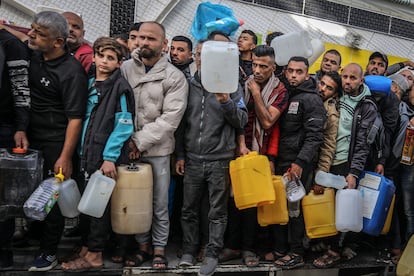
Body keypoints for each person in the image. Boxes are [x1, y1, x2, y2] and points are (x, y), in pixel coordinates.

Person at [60, 36, 134, 272]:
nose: (104, 61)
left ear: (119, 63)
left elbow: (123, 125)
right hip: (86, 155)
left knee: (97, 208)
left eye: (111, 58)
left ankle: (95, 254)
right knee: (85, 206)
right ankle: (86, 246)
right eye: (101, 55)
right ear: (93, 56)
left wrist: (110, 157)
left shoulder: (120, 87)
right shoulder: (90, 82)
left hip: (103, 160)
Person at [175, 39, 247, 276]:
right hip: (193, 159)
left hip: (220, 160)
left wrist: (226, 101)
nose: (200, 59)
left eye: (205, 55)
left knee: (217, 211)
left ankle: (212, 253)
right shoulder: (188, 85)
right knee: (188, 209)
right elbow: (182, 125)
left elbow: (242, 120)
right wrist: (181, 155)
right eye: (197, 54)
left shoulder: (231, 86)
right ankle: (188, 250)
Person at [121, 21, 188, 270]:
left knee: (159, 203)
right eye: (141, 38)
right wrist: (127, 141)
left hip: (158, 151)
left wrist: (139, 141)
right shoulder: (126, 69)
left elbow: (170, 119)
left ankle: (159, 248)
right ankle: (142, 248)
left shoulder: (175, 77)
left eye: (151, 39)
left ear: (164, 44)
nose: (144, 43)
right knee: (135, 201)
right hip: (127, 148)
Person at [25, 11, 88, 271]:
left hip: (56, 143)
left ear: (58, 42)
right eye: (32, 28)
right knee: (32, 195)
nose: (31, 34)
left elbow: (75, 118)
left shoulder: (71, 72)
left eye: (39, 33)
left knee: (51, 199)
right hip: (31, 139)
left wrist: (65, 156)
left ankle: (49, 252)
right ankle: (33, 236)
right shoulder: (34, 54)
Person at [221, 45, 287, 267]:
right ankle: (232, 246)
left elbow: (268, 121)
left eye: (263, 66)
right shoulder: (243, 84)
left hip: (262, 152)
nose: (257, 70)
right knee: (233, 200)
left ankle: (249, 249)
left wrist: (257, 94)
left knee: (253, 201)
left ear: (273, 68)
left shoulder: (280, 91)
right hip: (238, 148)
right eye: (254, 65)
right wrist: (240, 143)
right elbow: (237, 116)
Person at [272, 56, 326, 269]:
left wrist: (300, 162)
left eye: (299, 71)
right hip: (282, 161)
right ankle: (283, 248)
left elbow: (315, 136)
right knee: (282, 208)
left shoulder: (311, 100)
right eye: (291, 71)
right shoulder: (287, 94)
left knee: (295, 209)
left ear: (307, 73)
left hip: (297, 165)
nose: (294, 75)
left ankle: (297, 252)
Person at [0, 27, 30, 268]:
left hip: (4, 127)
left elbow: (21, 89)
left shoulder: (10, 44)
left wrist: (21, 126)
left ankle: (3, 251)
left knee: (2, 195)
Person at [364, 52, 399, 176]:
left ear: (385, 72)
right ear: (367, 66)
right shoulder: (355, 86)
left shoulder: (391, 98)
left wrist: (381, 161)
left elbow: (388, 132)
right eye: (372, 63)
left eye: (380, 65)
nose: (375, 67)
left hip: (372, 153)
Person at [313, 71, 342, 194]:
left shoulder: (331, 115)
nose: (322, 89)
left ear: (335, 94)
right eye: (322, 83)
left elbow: (328, 147)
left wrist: (320, 177)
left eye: (329, 88)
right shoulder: (306, 95)